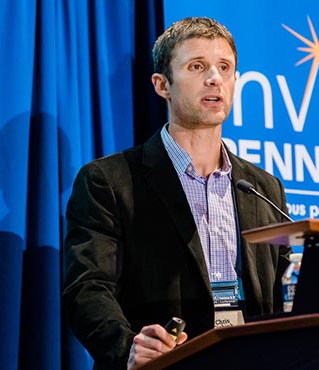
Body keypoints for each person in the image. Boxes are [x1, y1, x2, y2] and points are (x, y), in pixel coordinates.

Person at [62, 16, 292, 370]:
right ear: (162, 85)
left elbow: (283, 289)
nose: (214, 78)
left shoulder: (264, 189)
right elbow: (87, 288)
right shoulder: (109, 180)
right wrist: (128, 348)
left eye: (224, 67)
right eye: (197, 66)